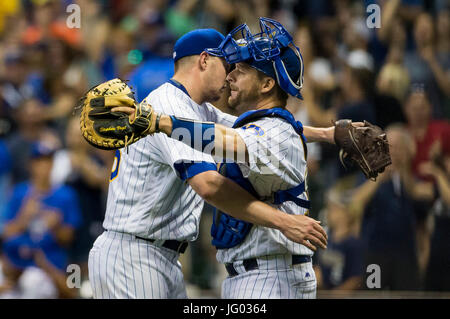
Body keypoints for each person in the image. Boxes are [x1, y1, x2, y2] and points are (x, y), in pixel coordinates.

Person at [88, 28, 328, 299]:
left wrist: (328, 134)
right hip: (133, 255)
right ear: (204, 60)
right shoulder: (171, 103)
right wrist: (283, 221)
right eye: (226, 65)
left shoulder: (198, 108)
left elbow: (263, 133)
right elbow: (209, 185)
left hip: (157, 255)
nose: (229, 76)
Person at [0, 141, 82, 298]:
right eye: (39, 161)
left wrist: (55, 226)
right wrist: (24, 217)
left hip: (47, 265)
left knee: (33, 283)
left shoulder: (65, 195)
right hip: (15, 261)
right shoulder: (19, 192)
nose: (43, 166)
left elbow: (69, 239)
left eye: (48, 161)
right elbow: (6, 234)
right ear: (31, 164)